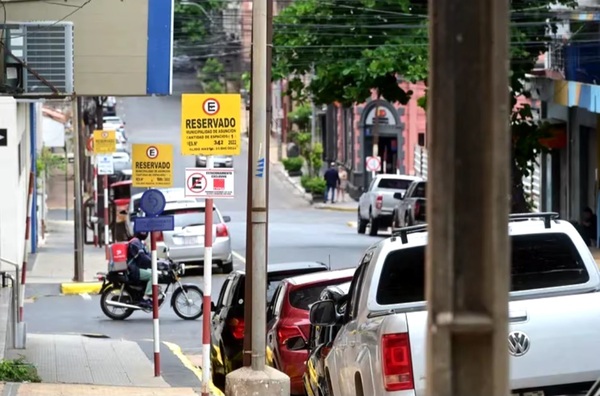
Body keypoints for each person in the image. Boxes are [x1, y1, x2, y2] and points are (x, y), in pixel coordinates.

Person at [127, 231, 153, 309]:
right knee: (153, 275)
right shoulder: (135, 243)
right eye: (143, 232)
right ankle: (145, 298)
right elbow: (142, 257)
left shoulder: (139, 242)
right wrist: (153, 263)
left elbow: (147, 255)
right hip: (134, 270)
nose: (144, 234)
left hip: (137, 268)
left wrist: (159, 260)